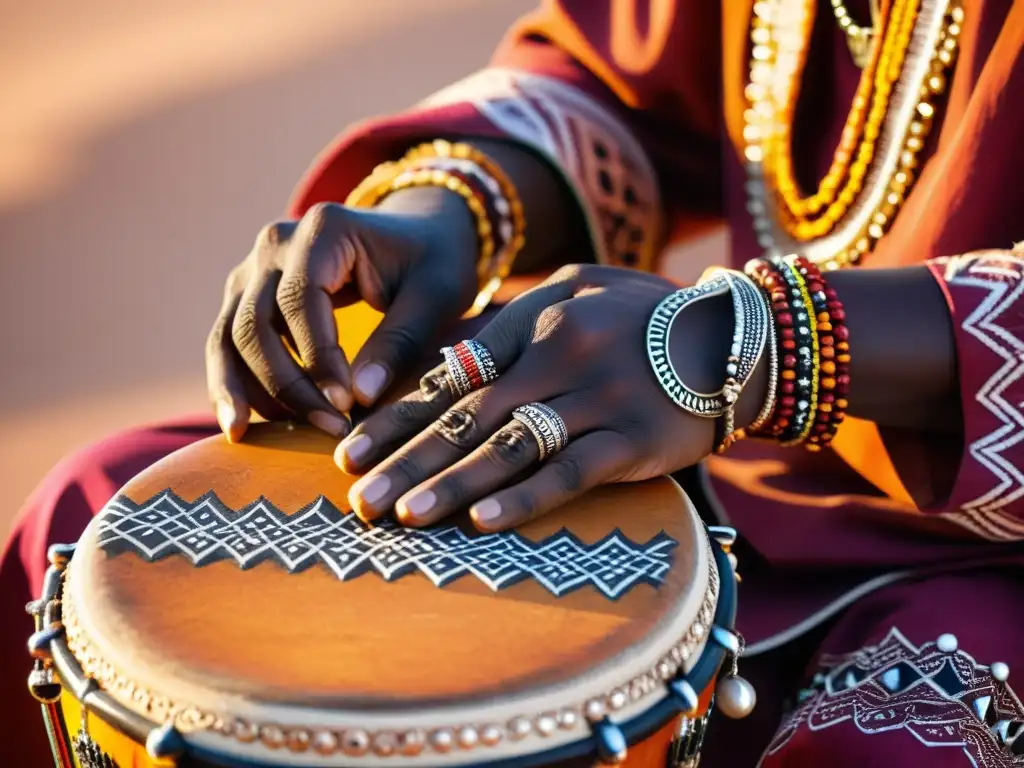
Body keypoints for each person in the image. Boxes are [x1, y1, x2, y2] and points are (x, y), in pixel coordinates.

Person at [4, 0, 1023, 765]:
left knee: (904, 736)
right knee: (94, 522)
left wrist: (750, 345)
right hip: (694, 442)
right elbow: (622, 85)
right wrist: (448, 208)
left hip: (982, 554)